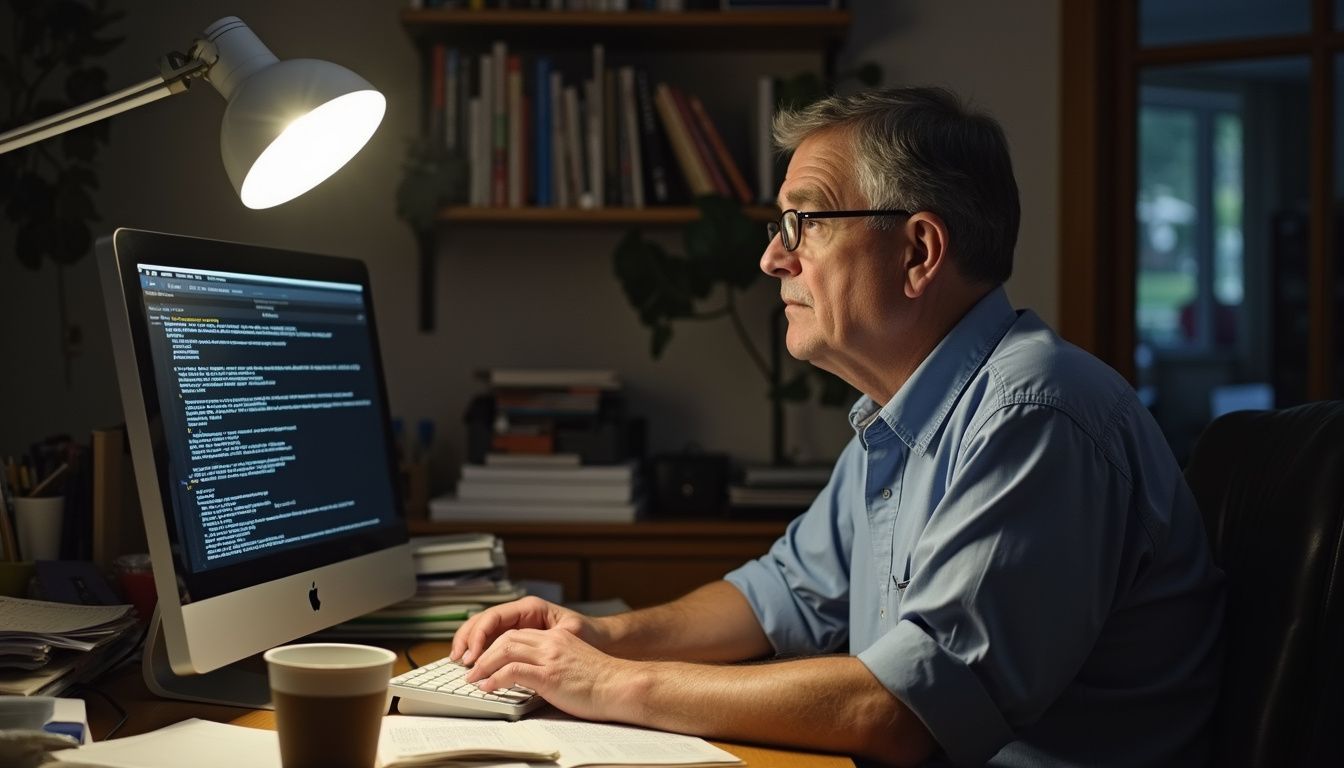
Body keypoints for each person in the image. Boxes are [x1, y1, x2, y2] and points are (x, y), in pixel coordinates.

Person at [450, 87, 1225, 767]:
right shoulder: (903, 413)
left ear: (919, 251)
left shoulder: (1034, 413)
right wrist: (601, 637)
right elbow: (780, 596)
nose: (771, 260)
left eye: (802, 223)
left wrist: (616, 684)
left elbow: (900, 713)